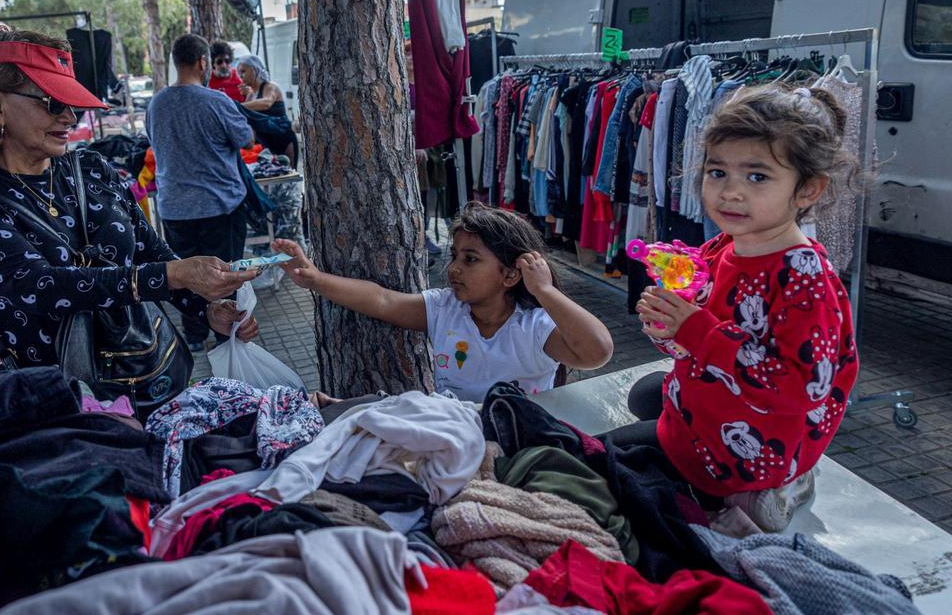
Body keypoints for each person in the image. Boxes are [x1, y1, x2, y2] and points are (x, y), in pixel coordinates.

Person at [0, 26, 259, 368]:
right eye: (52, 102)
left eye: (71, 103)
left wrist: (207, 309)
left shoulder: (90, 167)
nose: (69, 117)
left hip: (148, 373)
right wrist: (175, 274)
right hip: (62, 403)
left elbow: (148, 250)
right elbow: (41, 287)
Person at [627, 85, 860, 529]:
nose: (730, 193)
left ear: (808, 189)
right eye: (718, 173)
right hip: (722, 400)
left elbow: (801, 386)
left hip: (754, 441)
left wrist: (695, 330)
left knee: (607, 464)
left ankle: (764, 487)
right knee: (644, 394)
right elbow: (698, 337)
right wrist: (669, 329)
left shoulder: (806, 279)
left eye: (756, 177)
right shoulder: (723, 246)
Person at [273, 202, 614, 403]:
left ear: (511, 275)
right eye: (454, 256)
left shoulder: (535, 326)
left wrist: (545, 291)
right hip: (458, 440)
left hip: (522, 444)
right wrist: (314, 279)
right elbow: (381, 300)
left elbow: (597, 351)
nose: (453, 269)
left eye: (470, 260)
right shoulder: (444, 309)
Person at [146, 34, 255, 352]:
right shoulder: (215, 101)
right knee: (226, 276)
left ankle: (193, 336)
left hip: (175, 209)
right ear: (202, 62)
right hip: (218, 207)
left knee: (185, 275)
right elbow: (246, 140)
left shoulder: (157, 104)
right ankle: (227, 337)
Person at [234, 54, 297, 165]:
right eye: (239, 73)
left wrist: (238, 106)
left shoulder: (271, 87)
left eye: (243, 71)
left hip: (284, 140)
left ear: (254, 70)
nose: (240, 76)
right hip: (266, 145)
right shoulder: (251, 95)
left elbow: (266, 103)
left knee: (289, 178)